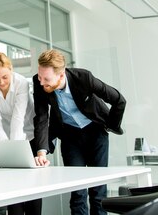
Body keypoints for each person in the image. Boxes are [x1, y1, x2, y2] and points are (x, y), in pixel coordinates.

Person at [33, 49, 126, 215]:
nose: (41, 82)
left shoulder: (84, 78)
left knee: (98, 191)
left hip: (95, 132)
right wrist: (41, 151)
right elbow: (41, 117)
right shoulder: (39, 82)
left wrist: (111, 125)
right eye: (40, 77)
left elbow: (118, 100)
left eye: (46, 79)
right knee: (77, 191)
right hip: (69, 136)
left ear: (61, 75)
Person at [0, 52, 42, 215]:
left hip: (30, 136)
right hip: (8, 138)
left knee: (32, 188)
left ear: (11, 70)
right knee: (12, 188)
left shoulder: (21, 83)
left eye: (4, 77)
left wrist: (15, 153)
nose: (0, 82)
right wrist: (7, 149)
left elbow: (18, 118)